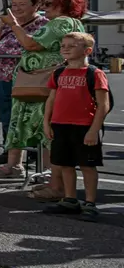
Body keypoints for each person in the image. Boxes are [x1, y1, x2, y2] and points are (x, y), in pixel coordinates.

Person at [0, 0, 85, 193]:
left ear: (65, 4)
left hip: (45, 83)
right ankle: (51, 179)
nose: (44, 7)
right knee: (43, 128)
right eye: (44, 3)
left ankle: (55, 181)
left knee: (48, 129)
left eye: (49, 4)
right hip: (43, 82)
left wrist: (12, 24)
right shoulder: (65, 22)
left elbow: (31, 44)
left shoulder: (62, 22)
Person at [0, 0, 47, 176]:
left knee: (31, 119)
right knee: (7, 117)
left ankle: (34, 156)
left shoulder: (44, 24)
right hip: (3, 77)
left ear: (36, 5)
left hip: (29, 78)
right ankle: (10, 153)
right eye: (14, 4)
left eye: (22, 5)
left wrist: (14, 25)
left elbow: (32, 45)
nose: (16, 8)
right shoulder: (5, 23)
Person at [44, 32, 108, 221]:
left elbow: (103, 104)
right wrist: (46, 123)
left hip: (84, 127)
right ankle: (70, 199)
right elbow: (51, 100)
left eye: (71, 46)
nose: (65, 48)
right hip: (60, 125)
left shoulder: (94, 73)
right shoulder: (58, 72)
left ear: (87, 50)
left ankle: (90, 202)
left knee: (87, 165)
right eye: (63, 45)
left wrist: (93, 130)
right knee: (65, 163)